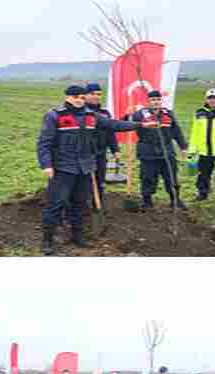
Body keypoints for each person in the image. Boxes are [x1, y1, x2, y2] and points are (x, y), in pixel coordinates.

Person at [37, 85, 140, 255]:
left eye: (82, 97)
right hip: (63, 168)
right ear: (68, 97)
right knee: (56, 204)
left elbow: (113, 124)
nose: (79, 100)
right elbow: (44, 142)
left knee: (80, 204)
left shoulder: (91, 116)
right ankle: (47, 240)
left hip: (85, 168)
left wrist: (139, 125)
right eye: (75, 97)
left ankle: (78, 236)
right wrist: (46, 165)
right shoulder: (55, 115)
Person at [129, 90, 188, 210]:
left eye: (158, 100)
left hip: (167, 151)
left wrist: (183, 147)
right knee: (148, 177)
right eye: (153, 100)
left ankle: (175, 200)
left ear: (161, 101)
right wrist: (127, 115)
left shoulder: (168, 114)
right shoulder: (140, 114)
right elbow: (128, 124)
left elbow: (176, 131)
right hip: (147, 151)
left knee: (171, 177)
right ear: (148, 101)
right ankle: (147, 201)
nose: (156, 102)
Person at [84, 83, 120, 208]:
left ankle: (97, 205)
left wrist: (115, 149)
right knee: (83, 182)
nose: (96, 97)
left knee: (99, 180)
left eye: (98, 94)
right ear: (86, 95)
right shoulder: (81, 111)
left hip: (101, 153)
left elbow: (110, 132)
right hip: (84, 153)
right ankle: (81, 206)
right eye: (92, 94)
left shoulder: (105, 113)